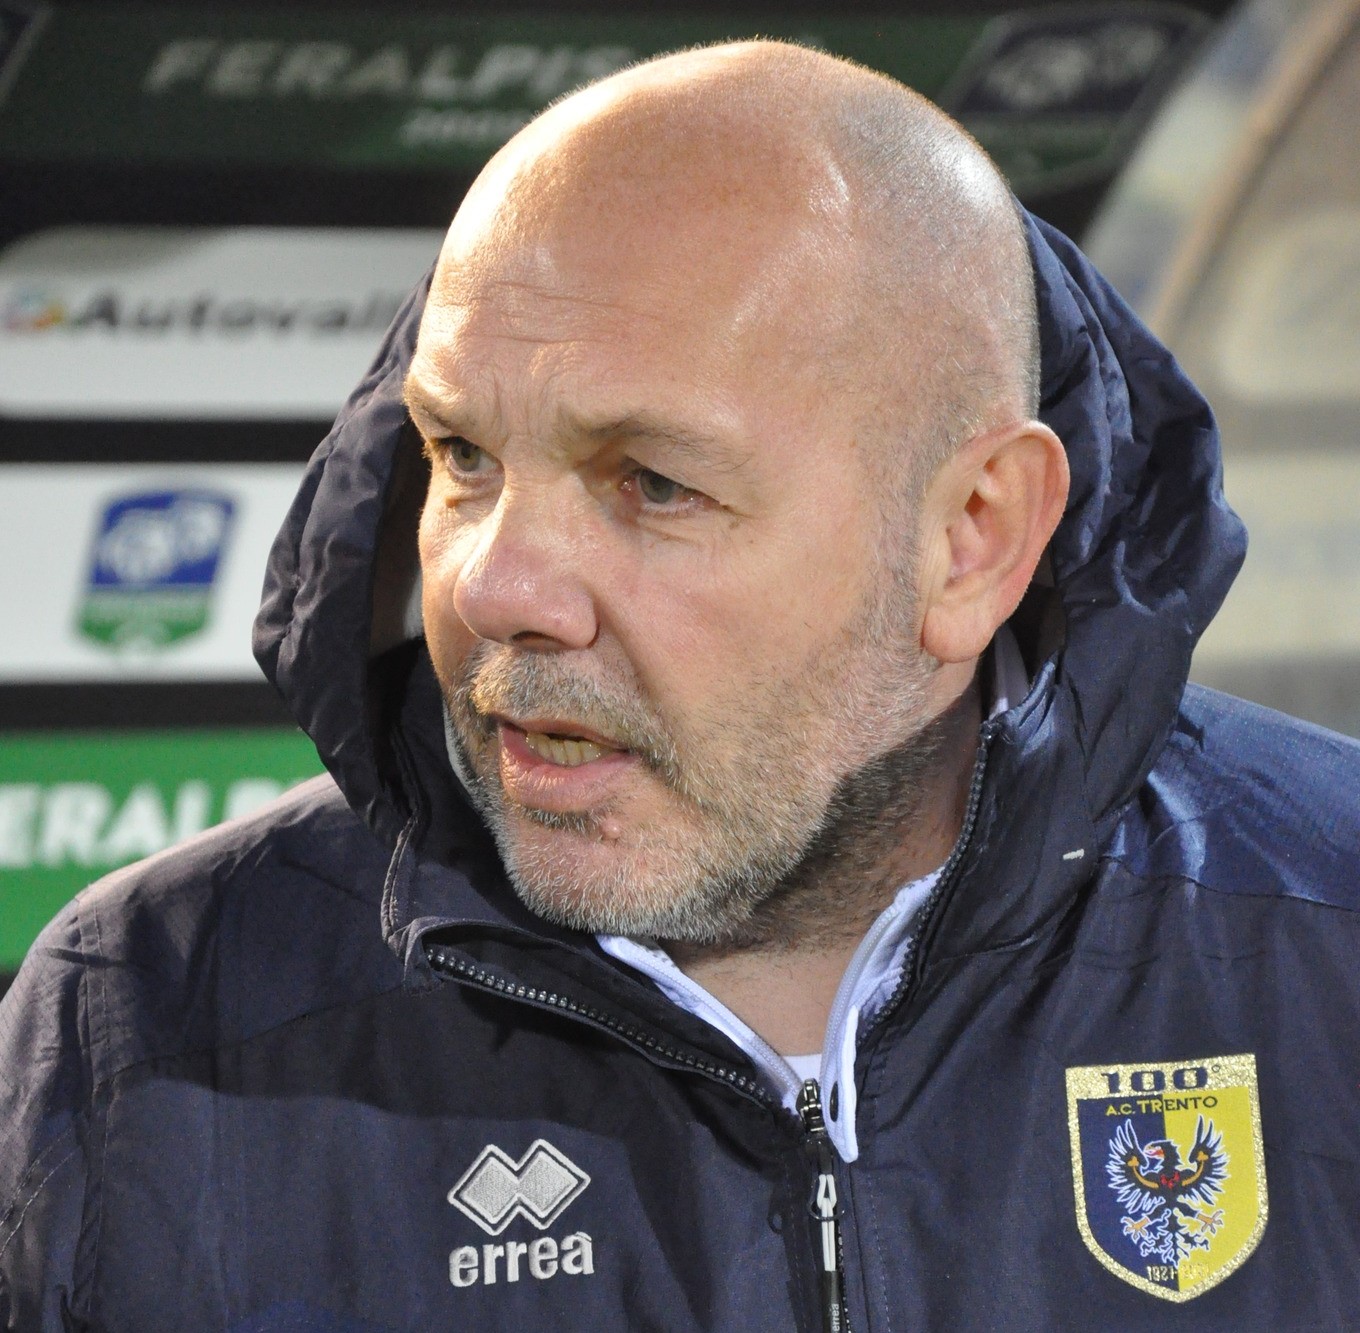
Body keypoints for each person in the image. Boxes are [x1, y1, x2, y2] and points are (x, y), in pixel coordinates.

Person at [1, 39, 1357, 1332]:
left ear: (973, 536)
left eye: (652, 483)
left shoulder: (1330, 931)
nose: (494, 586)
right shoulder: (140, 1023)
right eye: (463, 457)